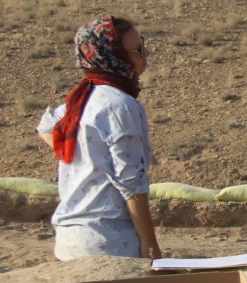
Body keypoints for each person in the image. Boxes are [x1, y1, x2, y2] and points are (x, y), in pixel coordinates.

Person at [37, 15, 162, 261]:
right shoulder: (120, 106)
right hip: (109, 243)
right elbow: (131, 184)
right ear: (113, 57)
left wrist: (84, 157)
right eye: (137, 50)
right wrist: (150, 244)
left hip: (68, 241)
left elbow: (46, 127)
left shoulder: (80, 99)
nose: (146, 53)